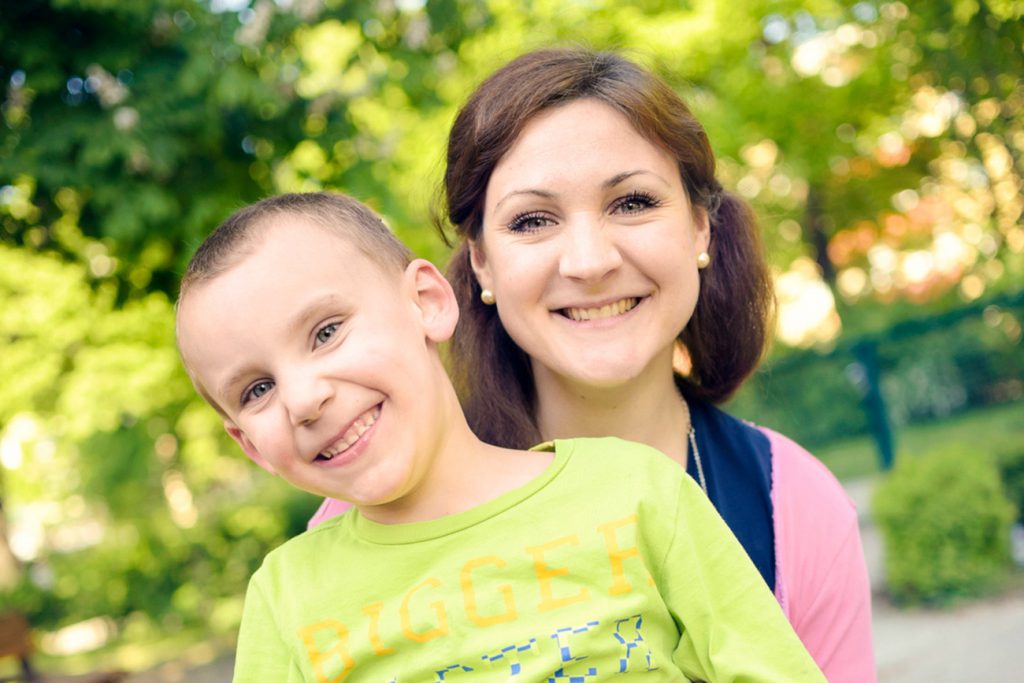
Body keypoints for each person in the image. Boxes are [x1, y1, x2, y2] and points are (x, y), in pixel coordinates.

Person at [310, 48, 876, 681]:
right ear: (482, 265)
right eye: (532, 220)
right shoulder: (373, 512)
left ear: (698, 230)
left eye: (631, 203)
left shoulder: (792, 505)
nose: (588, 261)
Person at [176, 191, 825, 682]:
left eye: (325, 332)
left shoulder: (633, 489)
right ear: (247, 442)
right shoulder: (286, 597)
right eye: (256, 389)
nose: (303, 397)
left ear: (427, 302)